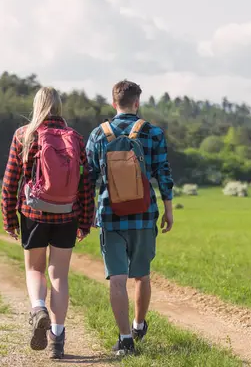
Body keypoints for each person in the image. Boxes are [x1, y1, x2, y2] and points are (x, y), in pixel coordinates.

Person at [1, 86, 94, 359]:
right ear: (59, 106)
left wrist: (9, 218)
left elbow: (10, 181)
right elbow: (85, 184)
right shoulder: (75, 138)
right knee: (59, 275)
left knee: (35, 269)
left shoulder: (24, 135)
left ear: (37, 105)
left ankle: (38, 308)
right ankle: (57, 338)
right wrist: (85, 221)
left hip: (33, 214)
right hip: (68, 213)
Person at [86, 79, 174, 356]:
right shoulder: (153, 132)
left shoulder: (98, 134)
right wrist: (169, 209)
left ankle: (125, 340)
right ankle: (138, 324)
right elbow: (164, 174)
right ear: (137, 103)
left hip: (110, 215)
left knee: (117, 279)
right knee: (142, 276)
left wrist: (89, 212)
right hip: (144, 215)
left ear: (114, 103)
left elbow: (88, 178)